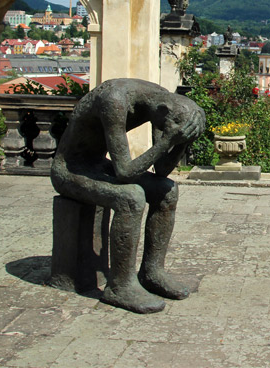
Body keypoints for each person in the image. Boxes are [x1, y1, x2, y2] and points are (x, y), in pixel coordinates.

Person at [51, 78, 206, 314]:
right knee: (130, 197)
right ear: (164, 111)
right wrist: (168, 141)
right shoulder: (115, 100)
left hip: (100, 166)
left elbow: (162, 170)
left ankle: (152, 272)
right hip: (69, 170)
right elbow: (124, 171)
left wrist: (183, 142)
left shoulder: (161, 101)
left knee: (167, 190)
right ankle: (120, 285)